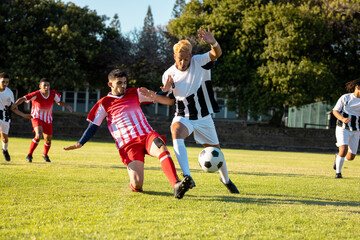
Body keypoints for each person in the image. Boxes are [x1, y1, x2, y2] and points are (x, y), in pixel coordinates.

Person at [139, 26, 239, 193]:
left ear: (191, 56)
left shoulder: (199, 61)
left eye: (186, 59)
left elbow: (217, 54)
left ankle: (226, 180)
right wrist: (155, 95)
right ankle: (187, 176)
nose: (183, 63)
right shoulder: (168, 74)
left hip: (203, 117)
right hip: (183, 116)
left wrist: (213, 42)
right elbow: (170, 102)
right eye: (180, 59)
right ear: (174, 57)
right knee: (176, 131)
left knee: (216, 152)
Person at [64, 69, 192, 199]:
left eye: (125, 82)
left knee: (162, 148)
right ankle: (135, 183)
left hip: (147, 135)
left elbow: (154, 95)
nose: (123, 86)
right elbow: (93, 126)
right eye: (119, 83)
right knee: (137, 184)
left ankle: (176, 185)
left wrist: (165, 90)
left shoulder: (135, 92)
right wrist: (80, 143)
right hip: (128, 144)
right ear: (110, 84)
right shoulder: (104, 103)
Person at [13, 78, 73, 163]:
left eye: (48, 85)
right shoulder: (36, 94)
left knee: (48, 140)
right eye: (44, 85)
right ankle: (29, 155)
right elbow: (23, 98)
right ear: (40, 86)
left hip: (48, 120)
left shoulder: (53, 93)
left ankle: (45, 154)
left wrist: (67, 106)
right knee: (39, 135)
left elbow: (59, 102)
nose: (46, 87)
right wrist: (15, 104)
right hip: (36, 117)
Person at [332, 78, 360, 179]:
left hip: (356, 130)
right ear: (358, 87)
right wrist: (342, 119)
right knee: (343, 150)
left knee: (351, 157)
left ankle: (338, 157)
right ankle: (338, 174)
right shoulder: (346, 98)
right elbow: (335, 111)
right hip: (342, 128)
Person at [0, 72, 31, 161]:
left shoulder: (9, 93)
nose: (5, 84)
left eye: (7, 82)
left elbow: (13, 108)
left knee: (4, 138)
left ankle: (4, 150)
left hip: (5, 116)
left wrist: (24, 115)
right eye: (3, 82)